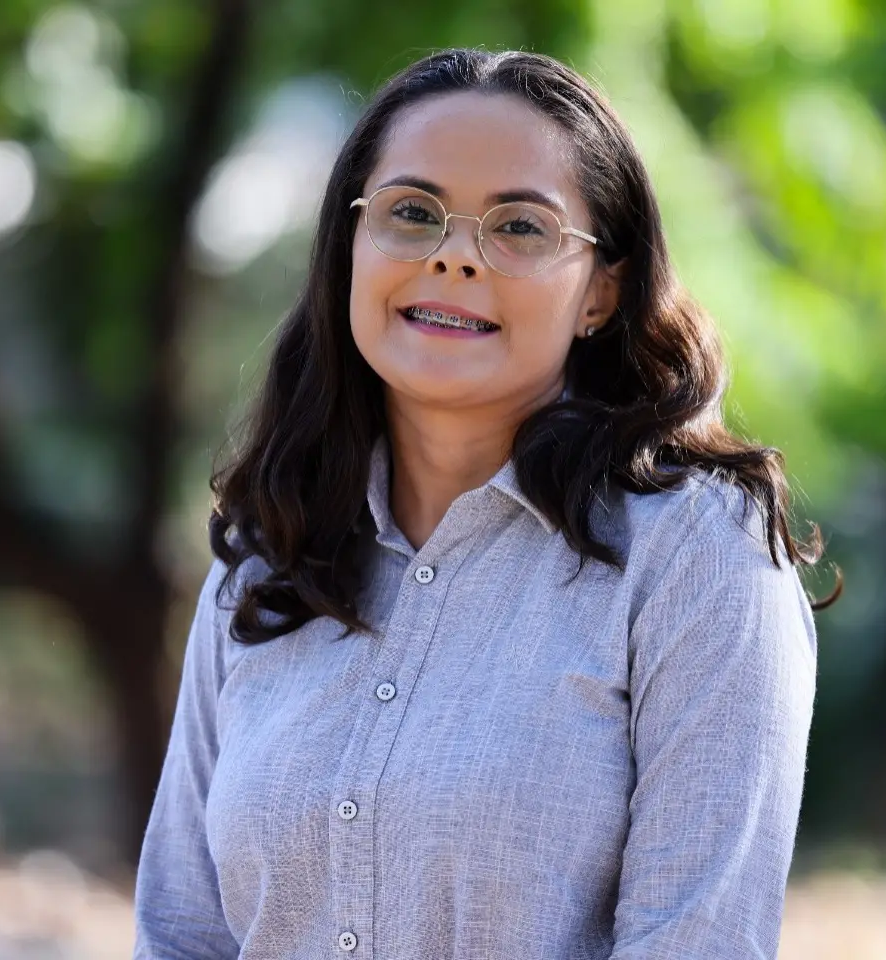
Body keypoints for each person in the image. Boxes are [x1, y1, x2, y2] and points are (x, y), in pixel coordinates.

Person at [133, 47, 840, 960]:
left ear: (601, 291)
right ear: (351, 245)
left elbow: (697, 941)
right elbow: (182, 933)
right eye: (412, 214)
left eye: (519, 229)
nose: (454, 257)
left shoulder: (698, 553)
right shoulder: (268, 560)